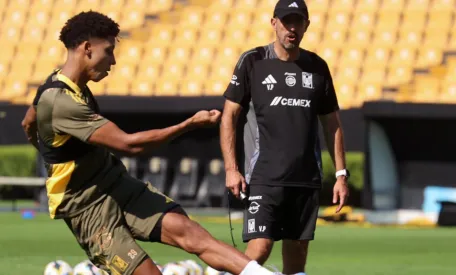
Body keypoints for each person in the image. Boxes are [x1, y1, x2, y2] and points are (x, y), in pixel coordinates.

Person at [21, 11, 282, 275]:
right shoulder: (60, 101)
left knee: (192, 235)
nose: (112, 61)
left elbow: (28, 122)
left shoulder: (59, 85)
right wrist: (188, 125)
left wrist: (51, 150)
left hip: (116, 185)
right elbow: (129, 145)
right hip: (88, 209)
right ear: (87, 48)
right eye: (108, 51)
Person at [219, 0, 350, 274]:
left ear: (306, 26)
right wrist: (232, 169)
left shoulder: (317, 67)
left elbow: (332, 124)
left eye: (298, 22)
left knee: (297, 259)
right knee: (259, 249)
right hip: (263, 177)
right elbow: (229, 116)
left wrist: (340, 174)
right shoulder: (252, 61)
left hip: (305, 178)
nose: (292, 28)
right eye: (286, 21)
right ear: (273, 23)